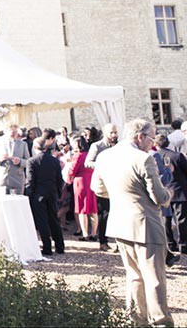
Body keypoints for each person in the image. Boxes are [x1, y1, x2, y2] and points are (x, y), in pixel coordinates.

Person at [91, 119, 173, 326]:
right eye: (151, 138)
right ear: (140, 137)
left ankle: (137, 320)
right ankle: (161, 321)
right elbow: (159, 198)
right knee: (155, 278)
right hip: (145, 223)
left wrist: (122, 196)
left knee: (134, 275)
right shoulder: (143, 159)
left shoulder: (105, 156)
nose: (152, 144)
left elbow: (98, 188)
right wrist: (169, 193)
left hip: (120, 221)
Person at [26, 128, 65, 255]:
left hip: (38, 194)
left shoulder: (32, 161)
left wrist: (30, 195)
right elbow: (59, 179)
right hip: (52, 192)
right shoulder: (54, 160)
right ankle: (60, 246)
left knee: (42, 221)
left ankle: (47, 248)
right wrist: (58, 193)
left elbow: (31, 181)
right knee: (54, 220)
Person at [85, 123, 118, 251]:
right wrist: (102, 165)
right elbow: (88, 162)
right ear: (105, 133)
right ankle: (103, 241)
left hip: (118, 183)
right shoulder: (97, 146)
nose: (114, 135)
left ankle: (120, 242)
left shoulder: (120, 145)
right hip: (103, 184)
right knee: (106, 213)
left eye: (115, 132)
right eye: (112, 133)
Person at [152, 135, 181, 267]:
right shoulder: (154, 156)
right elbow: (162, 178)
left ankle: (169, 250)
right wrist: (169, 170)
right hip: (163, 193)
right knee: (164, 223)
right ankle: (171, 249)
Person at [156, 133, 187, 256]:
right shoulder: (177, 156)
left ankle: (170, 243)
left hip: (163, 190)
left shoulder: (153, 156)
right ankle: (183, 244)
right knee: (182, 219)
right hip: (179, 191)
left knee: (166, 219)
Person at [68, 135, 98, 243]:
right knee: (93, 208)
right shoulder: (91, 154)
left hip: (80, 182)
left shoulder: (78, 156)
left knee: (82, 209)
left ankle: (85, 233)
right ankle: (94, 233)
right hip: (91, 180)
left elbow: (72, 170)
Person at [0, 124, 29, 195]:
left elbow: (28, 162)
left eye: (15, 132)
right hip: (2, 179)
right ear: (5, 131)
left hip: (17, 180)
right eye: (12, 132)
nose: (14, 134)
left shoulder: (23, 144)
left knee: (17, 204)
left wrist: (20, 161)